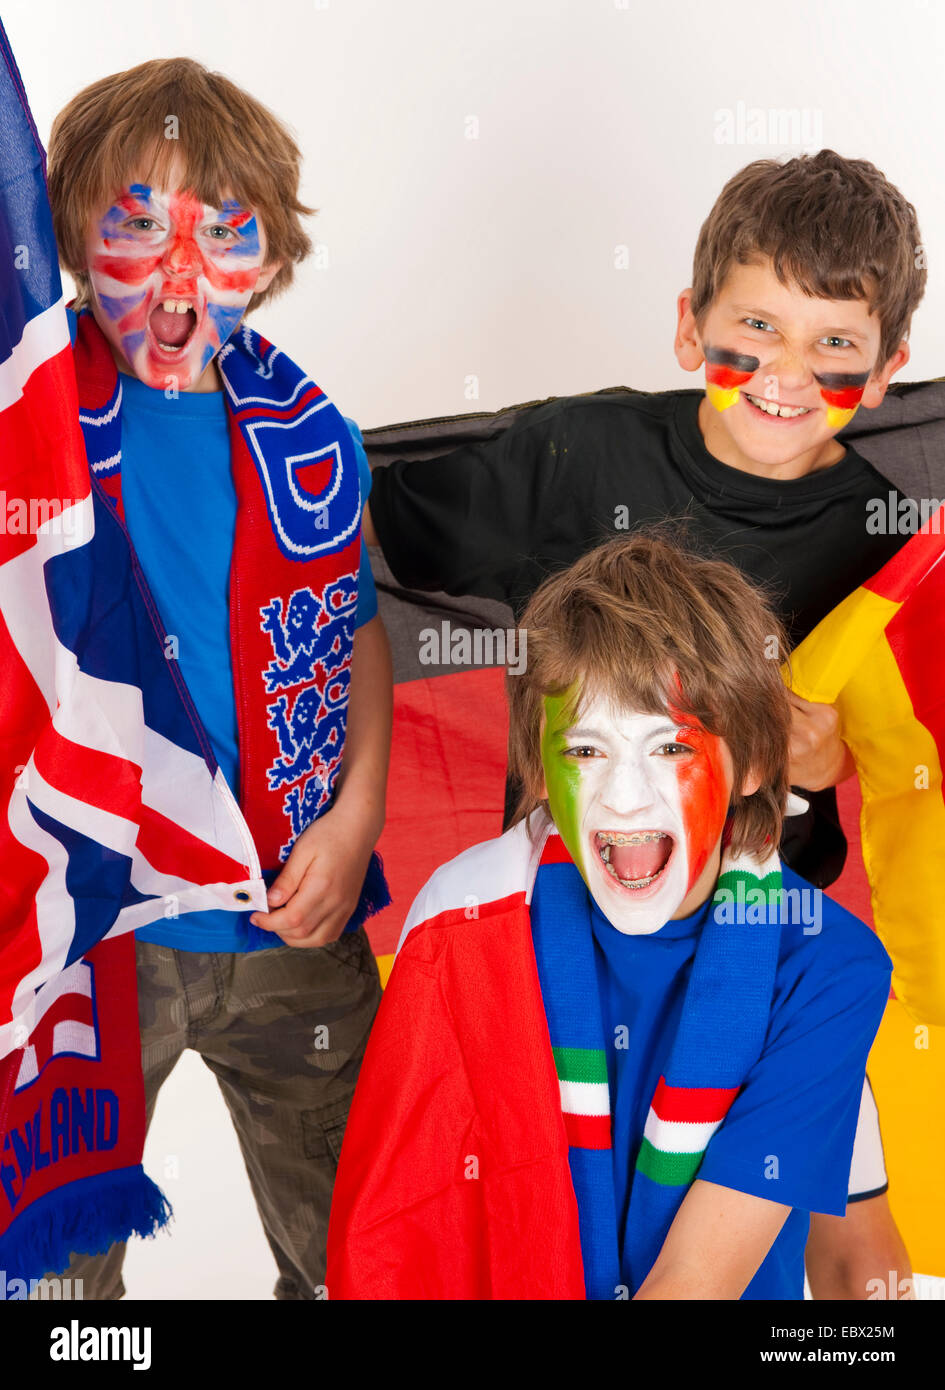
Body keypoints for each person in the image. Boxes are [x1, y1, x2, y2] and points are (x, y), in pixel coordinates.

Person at [361, 149, 921, 1295]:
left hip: (767, 947)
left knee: (851, 1258)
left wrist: (834, 753)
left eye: (835, 347)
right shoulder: (574, 455)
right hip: (559, 927)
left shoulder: (887, 530)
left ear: (891, 366)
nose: (785, 372)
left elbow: (907, 734)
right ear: (688, 326)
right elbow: (354, 530)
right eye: (753, 327)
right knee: (549, 1229)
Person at [326, 534, 892, 1300]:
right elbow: (400, 1235)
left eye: (668, 748)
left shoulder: (825, 967)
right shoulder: (464, 920)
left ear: (753, 763)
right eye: (586, 751)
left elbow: (694, 1282)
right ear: (536, 766)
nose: (623, 799)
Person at [44, 57, 392, 1299]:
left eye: (221, 228)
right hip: (87, 941)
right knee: (52, 1272)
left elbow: (351, 635)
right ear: (72, 239)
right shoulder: (27, 422)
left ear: (271, 252)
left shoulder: (311, 434)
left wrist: (355, 821)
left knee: (358, 1245)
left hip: (287, 919)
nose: (179, 267)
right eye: (136, 222)